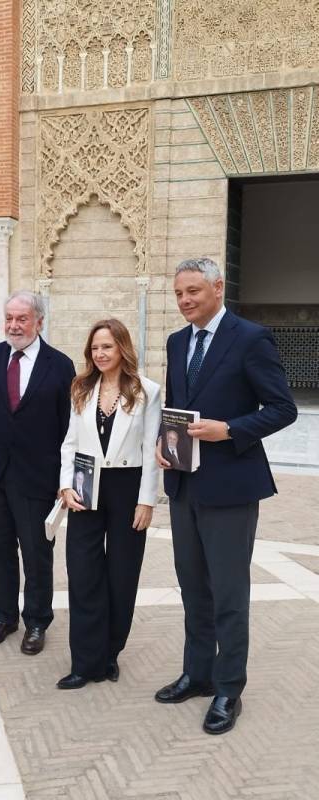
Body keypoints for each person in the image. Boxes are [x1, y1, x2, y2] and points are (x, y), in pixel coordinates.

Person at [155, 257, 297, 734]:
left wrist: (230, 429)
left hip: (232, 487)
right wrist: (164, 442)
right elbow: (176, 404)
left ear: (218, 287)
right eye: (179, 293)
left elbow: (282, 408)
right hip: (184, 484)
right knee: (193, 587)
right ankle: (197, 674)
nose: (184, 300)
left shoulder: (251, 338)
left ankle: (228, 689)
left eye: (193, 291)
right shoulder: (177, 342)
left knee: (229, 593)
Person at [57, 319, 161, 689]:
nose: (100, 354)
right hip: (85, 484)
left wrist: (146, 501)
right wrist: (65, 485)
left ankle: (110, 654)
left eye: (107, 347)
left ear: (122, 348)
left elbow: (150, 450)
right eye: (95, 348)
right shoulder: (81, 388)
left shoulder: (147, 391)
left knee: (122, 574)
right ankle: (85, 663)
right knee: (83, 572)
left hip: (127, 487)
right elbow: (70, 442)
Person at [0, 290, 75, 655]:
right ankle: (4, 617)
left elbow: (68, 427)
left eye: (22, 319)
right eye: (9, 318)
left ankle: (36, 621)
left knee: (36, 554)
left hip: (37, 477)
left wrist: (65, 481)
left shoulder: (60, 365)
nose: (14, 326)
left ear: (39, 322)